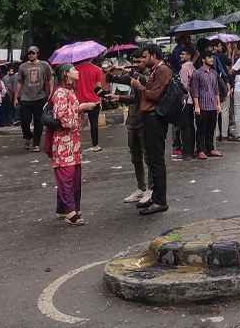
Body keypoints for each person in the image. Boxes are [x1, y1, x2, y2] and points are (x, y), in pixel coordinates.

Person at [48, 64, 99, 226]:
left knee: (74, 177)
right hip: (63, 142)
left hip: (73, 141)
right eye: (73, 70)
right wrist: (80, 108)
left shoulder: (70, 91)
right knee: (67, 177)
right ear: (66, 74)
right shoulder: (60, 93)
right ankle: (70, 211)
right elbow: (63, 119)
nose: (77, 71)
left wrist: (81, 109)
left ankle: (64, 208)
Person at [132, 44, 171, 215]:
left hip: (156, 118)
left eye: (145, 56)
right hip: (149, 117)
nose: (143, 59)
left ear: (154, 55)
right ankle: (155, 197)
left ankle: (160, 201)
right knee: (152, 159)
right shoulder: (155, 70)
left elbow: (155, 95)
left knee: (156, 160)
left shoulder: (163, 70)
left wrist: (140, 87)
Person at [109, 53, 152, 204]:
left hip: (144, 122)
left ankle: (150, 190)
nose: (135, 64)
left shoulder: (148, 75)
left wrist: (131, 73)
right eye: (133, 62)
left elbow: (142, 93)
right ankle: (141, 188)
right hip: (132, 121)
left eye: (139, 61)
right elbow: (116, 80)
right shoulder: (133, 76)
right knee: (135, 158)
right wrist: (110, 72)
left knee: (148, 158)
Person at [14, 46, 53, 153]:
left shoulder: (44, 65)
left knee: (38, 121)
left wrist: (51, 91)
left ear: (37, 54)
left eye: (33, 53)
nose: (31, 55)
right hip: (25, 98)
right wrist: (16, 97)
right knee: (24, 121)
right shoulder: (23, 66)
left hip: (40, 97)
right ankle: (28, 136)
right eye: (29, 53)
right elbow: (19, 82)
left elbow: (50, 78)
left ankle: (36, 143)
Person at [189, 50, 224, 159]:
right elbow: (194, 90)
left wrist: (218, 104)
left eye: (212, 58)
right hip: (202, 105)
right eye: (209, 58)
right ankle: (200, 150)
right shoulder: (197, 73)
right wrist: (196, 106)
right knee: (201, 129)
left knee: (211, 129)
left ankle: (210, 149)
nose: (211, 60)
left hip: (212, 105)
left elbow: (216, 90)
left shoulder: (214, 73)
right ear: (203, 60)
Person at [73, 57, 105, 153]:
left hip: (79, 101)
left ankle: (75, 145)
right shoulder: (97, 69)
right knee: (94, 124)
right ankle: (95, 145)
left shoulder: (75, 70)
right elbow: (98, 87)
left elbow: (73, 86)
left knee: (75, 124)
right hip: (94, 101)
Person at [174, 48, 196, 160]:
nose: (181, 56)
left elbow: (183, 86)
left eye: (183, 54)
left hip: (185, 101)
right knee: (190, 126)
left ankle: (186, 153)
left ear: (189, 55)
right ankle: (190, 151)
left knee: (185, 127)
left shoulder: (184, 68)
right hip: (192, 100)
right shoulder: (193, 67)